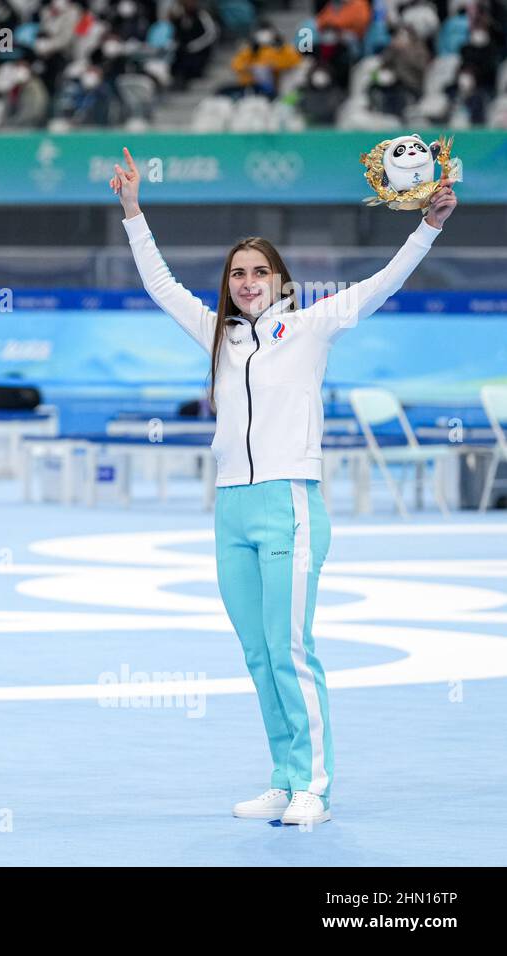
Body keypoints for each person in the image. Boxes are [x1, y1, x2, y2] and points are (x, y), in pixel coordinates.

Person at [109, 146, 456, 826]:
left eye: (258, 271)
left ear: (279, 278)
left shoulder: (312, 325)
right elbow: (160, 285)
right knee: (258, 652)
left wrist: (430, 227)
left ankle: (315, 788)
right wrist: (132, 211)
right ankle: (283, 775)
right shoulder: (218, 335)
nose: (246, 281)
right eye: (237, 273)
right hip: (231, 508)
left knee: (293, 649)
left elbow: (384, 283)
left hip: (290, 503)